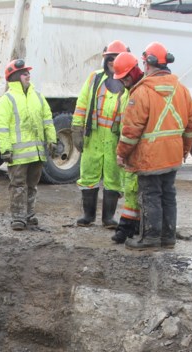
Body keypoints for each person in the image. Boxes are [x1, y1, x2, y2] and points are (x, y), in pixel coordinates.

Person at [114, 42, 192, 251]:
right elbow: (191, 125)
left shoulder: (141, 93)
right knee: (168, 194)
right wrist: (185, 150)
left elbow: (131, 131)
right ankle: (167, 237)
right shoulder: (182, 90)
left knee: (149, 195)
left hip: (150, 157)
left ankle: (150, 237)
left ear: (148, 63)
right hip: (173, 155)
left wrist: (121, 153)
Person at [72, 40, 130, 230]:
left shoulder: (128, 83)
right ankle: (88, 216)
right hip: (93, 138)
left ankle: (108, 219)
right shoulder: (94, 78)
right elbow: (82, 104)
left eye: (117, 58)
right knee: (88, 176)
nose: (113, 62)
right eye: (110, 58)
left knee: (113, 178)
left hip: (115, 139)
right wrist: (77, 130)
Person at [0, 59, 57, 231]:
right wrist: (5, 149)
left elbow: (47, 120)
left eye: (28, 73)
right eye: (24, 73)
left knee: (31, 186)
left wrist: (51, 140)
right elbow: (1, 127)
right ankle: (18, 218)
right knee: (18, 185)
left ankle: (29, 215)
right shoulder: (6, 100)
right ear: (15, 77)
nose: (28, 75)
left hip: (36, 153)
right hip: (18, 154)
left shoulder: (37, 96)